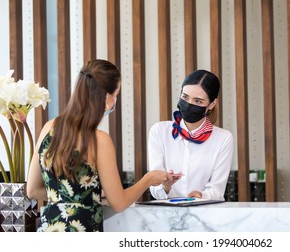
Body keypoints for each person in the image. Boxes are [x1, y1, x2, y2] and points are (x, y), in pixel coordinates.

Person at [26, 59, 171, 232]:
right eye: (116, 94)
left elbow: (33, 190)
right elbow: (119, 203)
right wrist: (148, 179)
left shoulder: (48, 127)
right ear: (107, 98)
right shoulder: (99, 140)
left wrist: (82, 195)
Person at [148, 69, 234, 201]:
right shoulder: (159, 131)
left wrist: (201, 196)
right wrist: (165, 186)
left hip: (205, 214)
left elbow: (217, 190)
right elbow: (154, 188)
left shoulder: (223, 138)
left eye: (198, 101)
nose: (189, 105)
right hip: (166, 214)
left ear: (212, 104)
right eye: (185, 97)